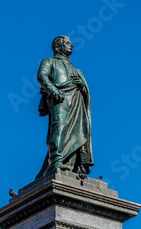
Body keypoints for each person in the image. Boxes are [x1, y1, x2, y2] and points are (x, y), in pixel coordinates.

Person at [35, 35, 94, 178]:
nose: (71, 45)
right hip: (59, 98)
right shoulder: (49, 62)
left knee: (78, 131)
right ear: (57, 47)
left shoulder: (77, 70)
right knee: (59, 127)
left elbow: (86, 91)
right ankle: (56, 161)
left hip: (77, 101)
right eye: (67, 43)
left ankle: (72, 165)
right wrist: (53, 89)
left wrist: (82, 87)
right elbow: (41, 76)